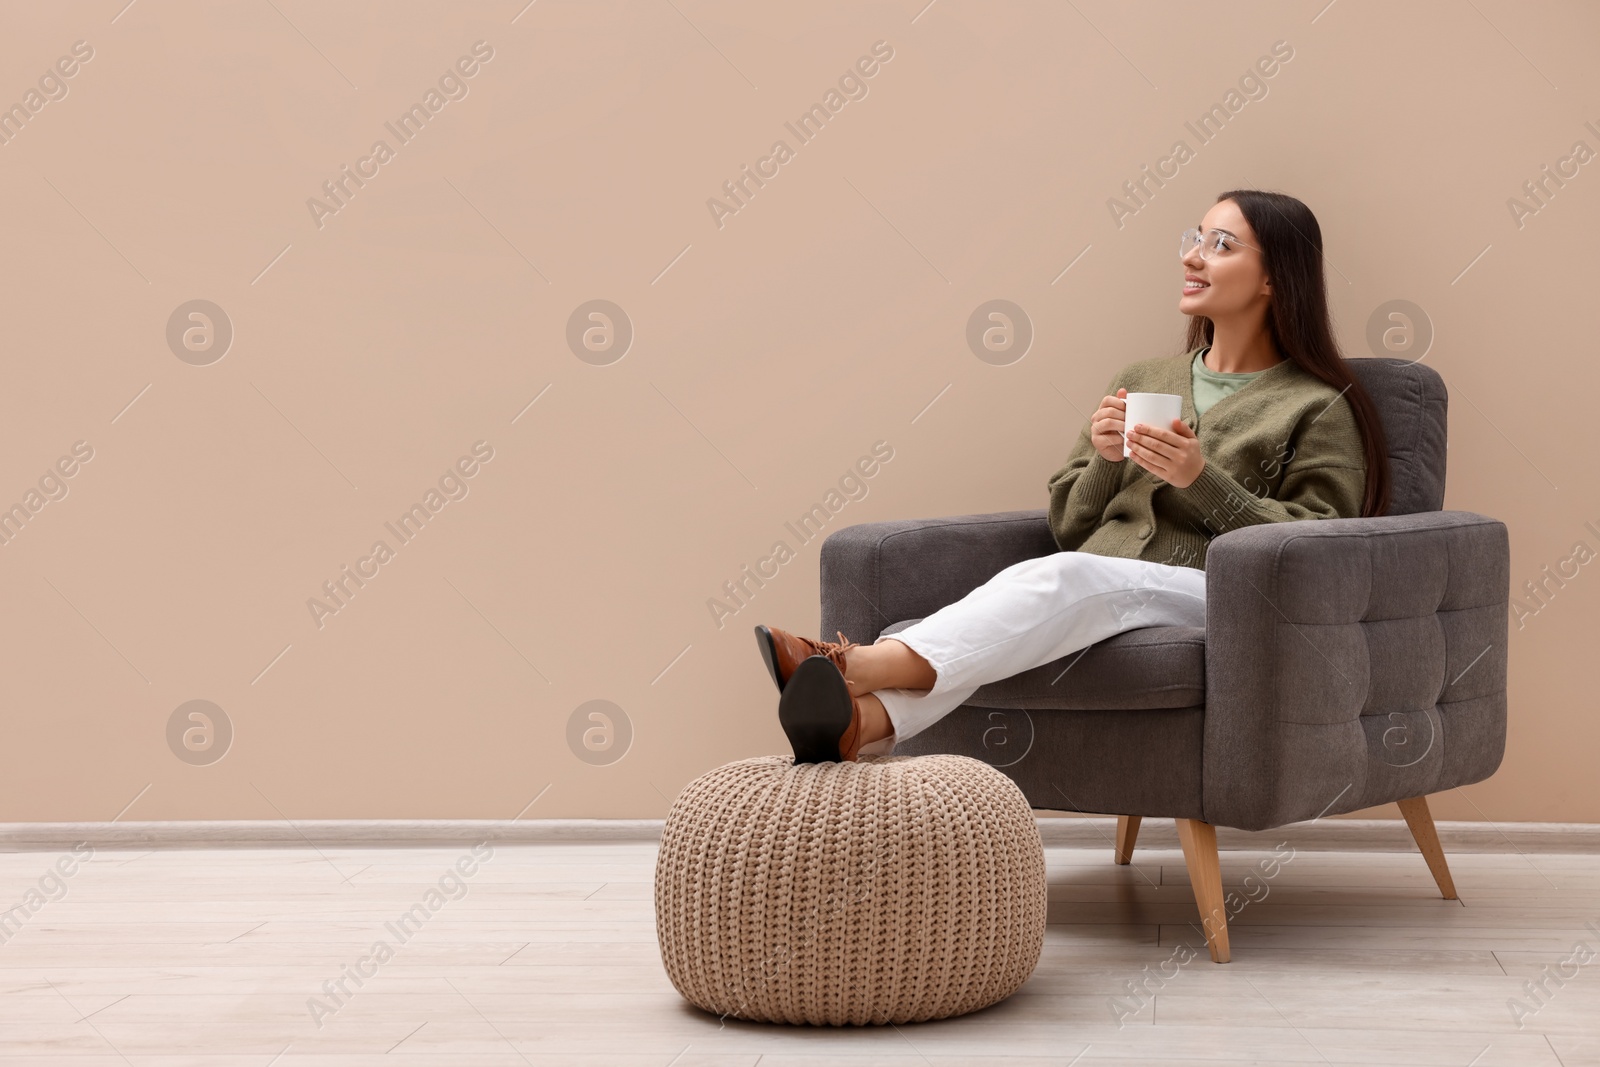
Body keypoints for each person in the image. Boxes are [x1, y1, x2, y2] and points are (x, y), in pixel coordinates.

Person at [755, 188, 1391, 764]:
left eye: (1220, 246)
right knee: (1033, 601)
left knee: (1064, 580)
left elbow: (1318, 549)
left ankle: (854, 664)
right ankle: (862, 721)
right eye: (1194, 239)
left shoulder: (1319, 404)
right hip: (1100, 578)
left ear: (1275, 278)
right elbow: (1068, 526)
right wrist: (1105, 462)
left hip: (1222, 595)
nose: (1193, 258)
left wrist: (1201, 479)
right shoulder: (1145, 379)